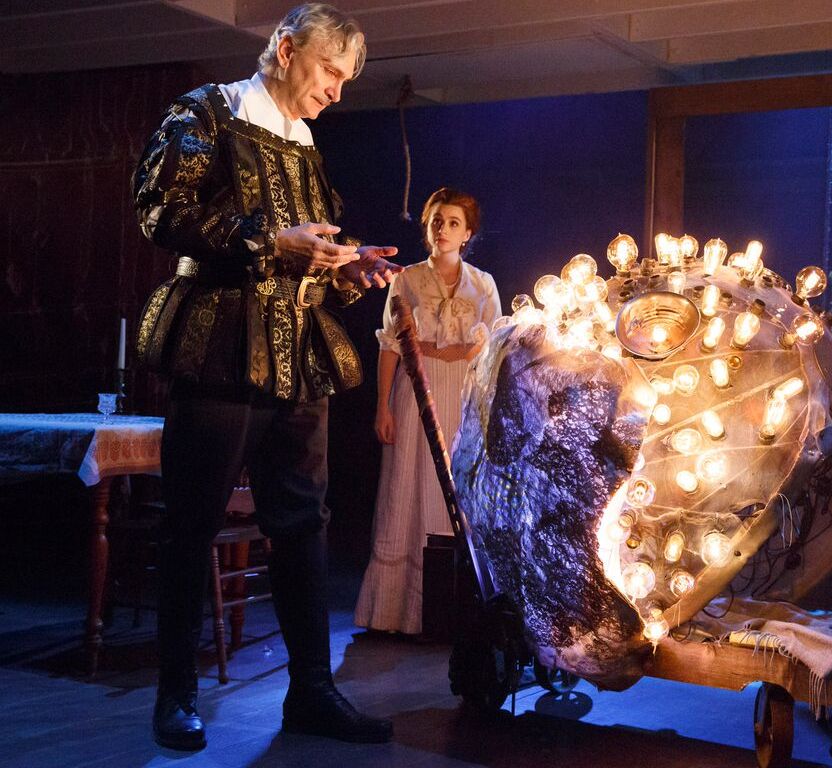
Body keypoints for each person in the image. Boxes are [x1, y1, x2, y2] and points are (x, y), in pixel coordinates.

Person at [133, 3, 404, 751]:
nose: (336, 92)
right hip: (221, 348)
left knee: (302, 525)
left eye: (346, 80)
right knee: (193, 522)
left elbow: (307, 246)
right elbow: (159, 211)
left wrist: (347, 267)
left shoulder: (304, 141)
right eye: (328, 71)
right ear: (285, 50)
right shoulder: (207, 113)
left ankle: (311, 691)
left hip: (298, 358)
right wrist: (267, 240)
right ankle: (176, 693)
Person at [355, 187, 500, 635]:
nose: (444, 229)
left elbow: (494, 349)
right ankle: (396, 613)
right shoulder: (407, 279)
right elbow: (389, 344)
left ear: (467, 233)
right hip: (417, 388)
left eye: (453, 223)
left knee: (457, 491)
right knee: (407, 485)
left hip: (464, 391)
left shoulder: (483, 283)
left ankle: (458, 613)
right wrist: (382, 405)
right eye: (437, 221)